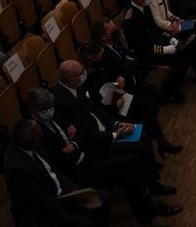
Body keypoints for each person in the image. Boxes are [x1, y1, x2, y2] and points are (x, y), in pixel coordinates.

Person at [26, 87, 180, 224]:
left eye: (50, 107)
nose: (50, 111)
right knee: (129, 166)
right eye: (45, 109)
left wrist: (74, 144)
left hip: (87, 155)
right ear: (33, 108)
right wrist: (75, 141)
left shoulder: (56, 115)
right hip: (77, 171)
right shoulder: (34, 132)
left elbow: (81, 131)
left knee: (131, 166)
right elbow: (61, 159)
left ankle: (148, 212)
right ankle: (150, 209)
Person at [4, 119, 101, 227]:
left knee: (102, 199)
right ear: (30, 141)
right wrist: (72, 203)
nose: (42, 135)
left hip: (61, 196)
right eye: (38, 133)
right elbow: (39, 202)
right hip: (44, 213)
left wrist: (73, 190)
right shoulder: (18, 170)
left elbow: (56, 173)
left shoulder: (36, 148)